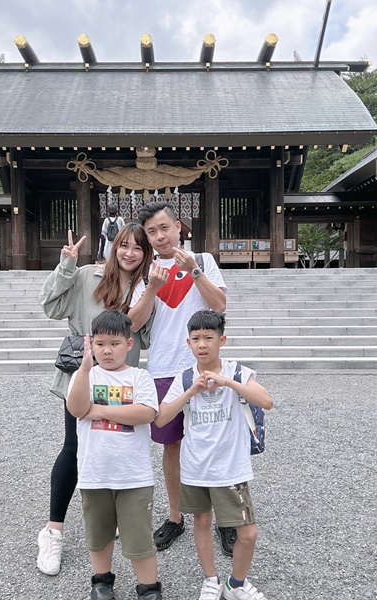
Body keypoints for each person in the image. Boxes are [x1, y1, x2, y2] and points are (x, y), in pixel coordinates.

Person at [37, 224, 153, 576]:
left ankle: (111, 514)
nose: (129, 253)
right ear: (114, 245)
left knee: (116, 445)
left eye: (138, 248)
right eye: (124, 245)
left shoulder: (145, 287)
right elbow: (51, 308)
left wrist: (150, 292)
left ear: (145, 254)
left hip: (124, 381)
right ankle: (53, 530)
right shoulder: (88, 275)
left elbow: (139, 332)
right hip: (83, 378)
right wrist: (66, 266)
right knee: (73, 447)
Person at [128, 201, 228, 553]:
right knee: (171, 446)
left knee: (213, 440)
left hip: (204, 366)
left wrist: (195, 271)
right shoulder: (147, 272)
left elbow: (219, 306)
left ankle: (224, 518)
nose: (159, 236)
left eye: (164, 228)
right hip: (163, 367)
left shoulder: (204, 259)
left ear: (179, 226)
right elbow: (134, 324)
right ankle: (175, 516)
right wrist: (153, 287)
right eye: (152, 232)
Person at [155, 310, 273, 600]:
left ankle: (236, 583)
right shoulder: (184, 378)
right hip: (195, 466)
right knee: (201, 522)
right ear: (188, 343)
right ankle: (211, 580)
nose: (202, 344)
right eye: (196, 339)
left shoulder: (236, 372)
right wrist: (190, 392)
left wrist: (228, 383)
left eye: (209, 337)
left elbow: (267, 401)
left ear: (222, 339)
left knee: (248, 532)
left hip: (230, 467)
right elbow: (160, 418)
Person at [66, 311, 163, 600]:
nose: (107, 350)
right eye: (100, 344)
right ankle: (101, 581)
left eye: (115, 343)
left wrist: (101, 410)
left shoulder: (140, 377)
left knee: (139, 536)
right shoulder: (85, 375)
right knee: (99, 533)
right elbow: (76, 408)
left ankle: (148, 587)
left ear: (129, 344)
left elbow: (145, 413)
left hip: (133, 475)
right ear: (91, 345)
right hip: (95, 473)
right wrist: (83, 369)